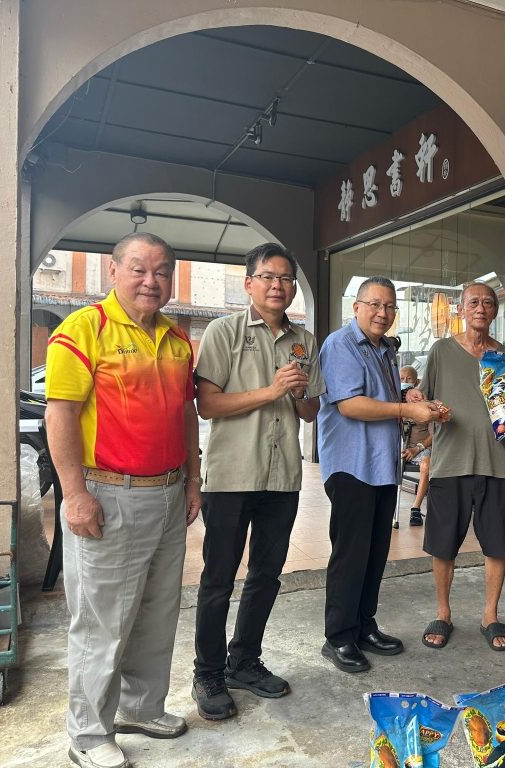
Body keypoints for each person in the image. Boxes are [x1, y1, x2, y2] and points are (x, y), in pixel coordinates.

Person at [45, 233, 202, 768]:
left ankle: (140, 707)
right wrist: (74, 494)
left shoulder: (177, 340)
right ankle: (88, 734)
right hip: (108, 495)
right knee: (101, 621)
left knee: (157, 612)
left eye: (161, 271)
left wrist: (193, 481)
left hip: (169, 493)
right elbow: (61, 414)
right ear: (113, 272)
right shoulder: (83, 330)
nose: (150, 281)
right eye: (138, 269)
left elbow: (185, 416)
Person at [190, 243, 323, 720]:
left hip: (282, 476)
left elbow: (309, 412)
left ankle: (244, 661)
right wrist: (272, 390)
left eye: (286, 279)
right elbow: (208, 404)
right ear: (249, 283)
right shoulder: (223, 331)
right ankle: (207, 672)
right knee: (218, 578)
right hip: (231, 475)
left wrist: (300, 392)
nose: (277, 286)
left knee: (266, 575)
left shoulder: (304, 341)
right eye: (268, 276)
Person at [317, 276, 440, 672]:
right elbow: (350, 404)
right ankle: (338, 637)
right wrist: (406, 410)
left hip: (383, 465)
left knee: (375, 552)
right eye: (374, 304)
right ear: (356, 307)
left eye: (389, 306)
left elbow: (379, 396)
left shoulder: (385, 348)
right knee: (351, 554)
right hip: (352, 465)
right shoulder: (340, 344)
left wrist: (406, 396)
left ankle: (363, 626)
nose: (382, 313)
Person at [409, 282, 505, 652]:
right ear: (461, 309)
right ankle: (443, 613)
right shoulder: (441, 350)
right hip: (449, 463)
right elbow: (425, 399)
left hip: (495, 462)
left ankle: (490, 615)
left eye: (488, 302)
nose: (481, 308)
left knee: (497, 545)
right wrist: (422, 403)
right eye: (473, 302)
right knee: (443, 546)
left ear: (495, 310)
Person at [400, 366, 432, 527]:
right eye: (401, 379)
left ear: (417, 381)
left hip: (422, 448)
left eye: (409, 379)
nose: (405, 382)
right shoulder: (394, 402)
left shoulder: (426, 403)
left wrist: (418, 448)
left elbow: (435, 434)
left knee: (426, 464)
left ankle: (416, 508)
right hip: (401, 447)